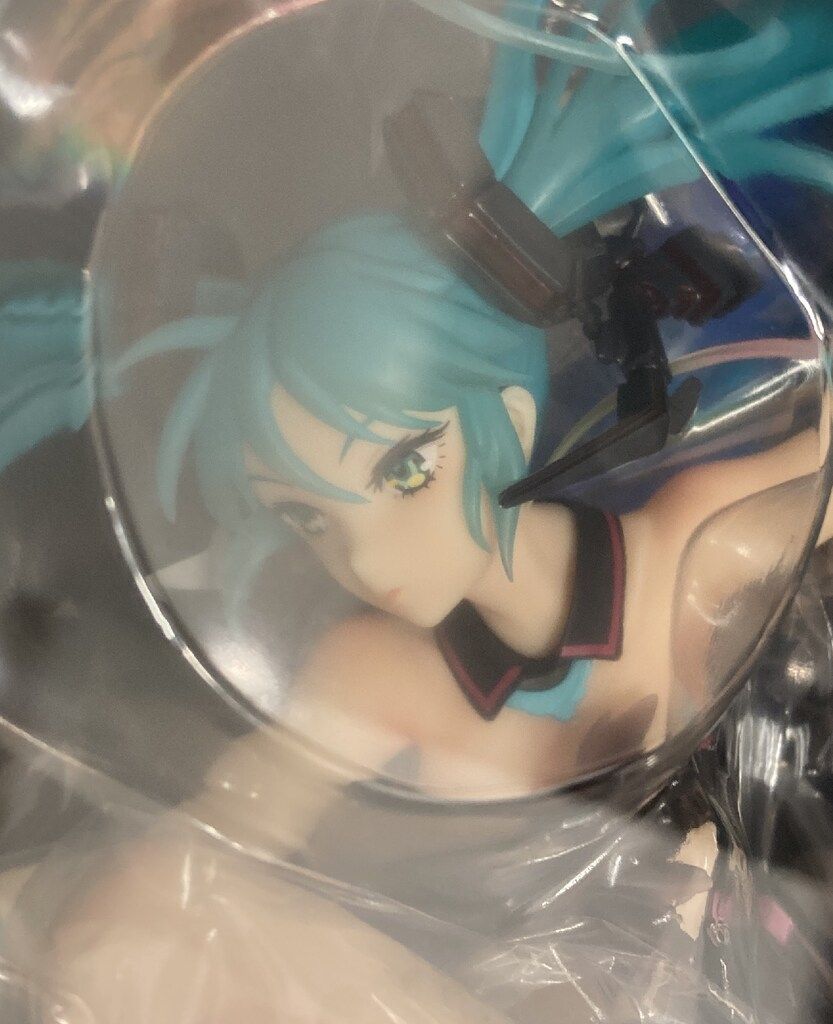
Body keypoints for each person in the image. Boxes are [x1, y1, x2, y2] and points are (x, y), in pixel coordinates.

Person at [6, 0, 833, 1019]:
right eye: (308, 518)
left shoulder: (685, 554)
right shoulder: (373, 674)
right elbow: (224, 826)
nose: (365, 556)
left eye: (403, 470)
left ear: (511, 416)